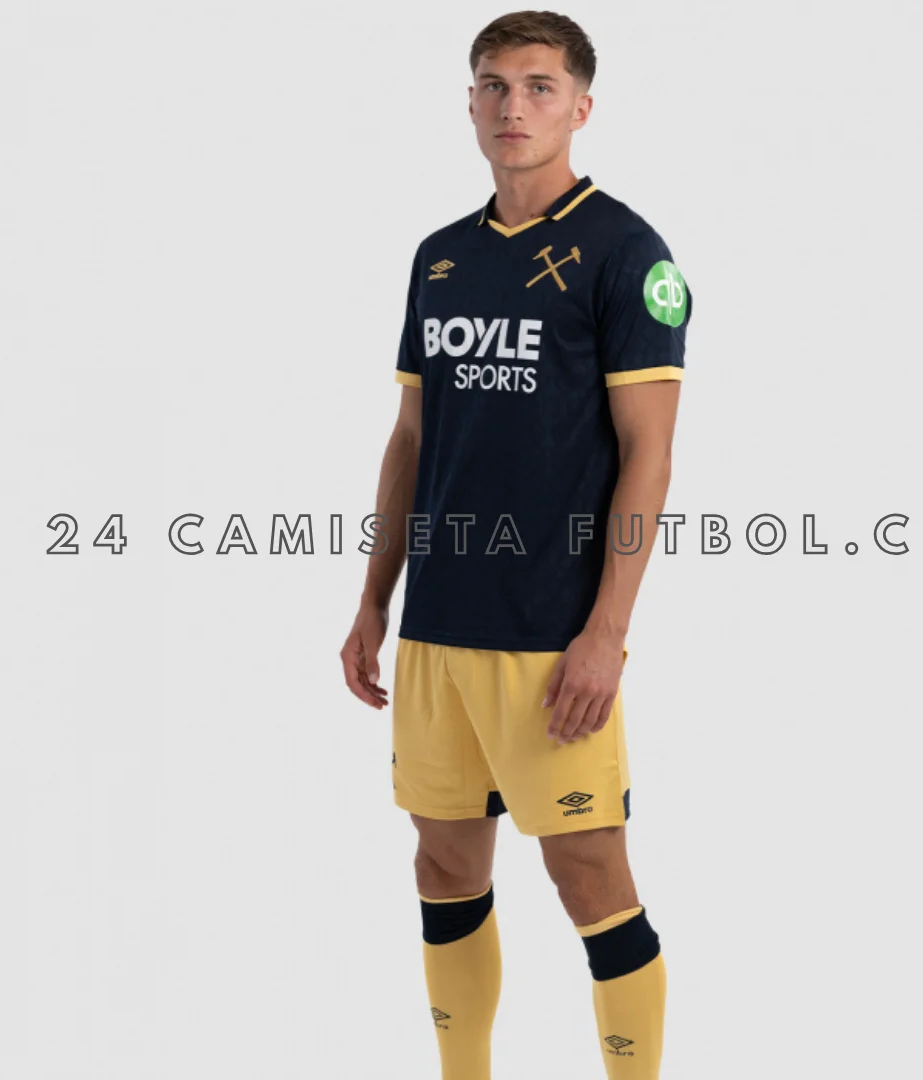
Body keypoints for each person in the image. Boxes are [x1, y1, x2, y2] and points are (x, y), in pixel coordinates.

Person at [340, 11, 691, 1078]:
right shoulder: (440, 258)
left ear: (581, 107)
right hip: (439, 629)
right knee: (443, 868)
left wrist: (606, 634)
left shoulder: (627, 254)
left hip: (553, 637)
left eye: (539, 87)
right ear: (470, 103)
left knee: (590, 878)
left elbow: (650, 455)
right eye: (493, 85)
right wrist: (373, 602)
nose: (513, 106)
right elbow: (412, 438)